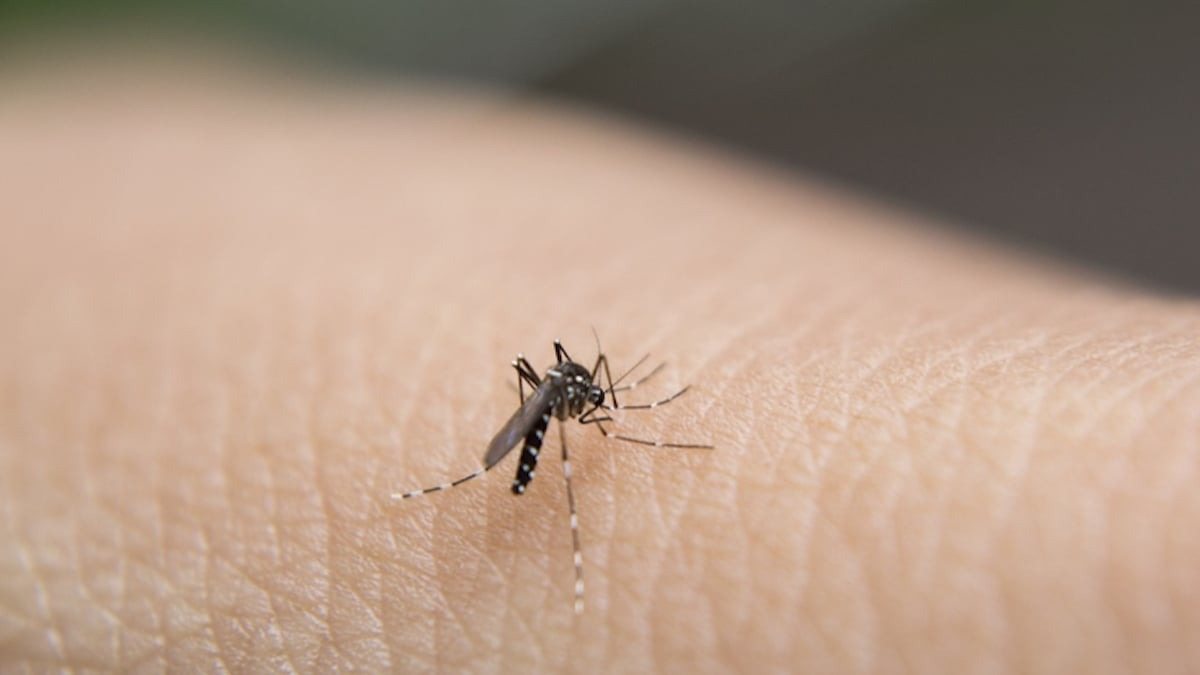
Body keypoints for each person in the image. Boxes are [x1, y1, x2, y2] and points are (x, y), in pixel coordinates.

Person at [2, 47, 1196, 673]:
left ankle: (518, 458)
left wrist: (617, 403)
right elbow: (566, 406)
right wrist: (564, 434)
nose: (592, 397)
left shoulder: (584, 378)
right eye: (592, 395)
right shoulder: (560, 415)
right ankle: (487, 485)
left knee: (576, 391)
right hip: (531, 452)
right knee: (555, 458)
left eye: (590, 396)